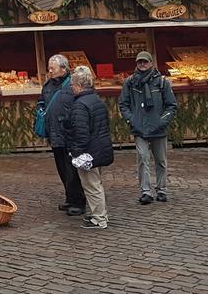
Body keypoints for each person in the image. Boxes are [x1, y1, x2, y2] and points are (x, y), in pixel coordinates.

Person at [118, 50, 178, 205]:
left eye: (145, 61)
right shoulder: (130, 82)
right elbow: (123, 104)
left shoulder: (162, 82)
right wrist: (132, 120)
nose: (142, 64)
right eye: (140, 62)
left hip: (158, 127)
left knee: (161, 160)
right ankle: (146, 191)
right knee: (142, 159)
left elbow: (171, 105)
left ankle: (162, 189)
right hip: (140, 127)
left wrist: (162, 121)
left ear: (151, 63)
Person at [67, 65, 114, 230]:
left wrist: (76, 152)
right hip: (100, 148)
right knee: (95, 183)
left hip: (89, 151)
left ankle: (99, 218)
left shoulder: (80, 105)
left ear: (79, 86)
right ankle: (99, 214)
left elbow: (81, 133)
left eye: (72, 85)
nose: (71, 88)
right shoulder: (96, 100)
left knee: (91, 185)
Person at [39, 54, 85, 215]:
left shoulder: (72, 84)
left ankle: (78, 201)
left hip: (68, 133)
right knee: (62, 168)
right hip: (54, 133)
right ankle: (69, 197)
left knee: (72, 168)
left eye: (53, 68)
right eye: (49, 68)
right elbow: (42, 100)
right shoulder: (48, 85)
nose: (50, 71)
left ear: (63, 69)